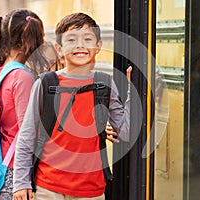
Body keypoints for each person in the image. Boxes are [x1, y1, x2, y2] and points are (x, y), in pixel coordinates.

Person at [13, 12, 131, 200]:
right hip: (48, 187)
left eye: (87, 39)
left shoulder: (106, 84)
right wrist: (21, 183)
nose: (80, 45)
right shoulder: (45, 83)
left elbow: (125, 132)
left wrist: (132, 91)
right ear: (59, 48)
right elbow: (26, 136)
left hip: (91, 190)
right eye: (71, 39)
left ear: (98, 46)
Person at [0, 9, 45, 199]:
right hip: (16, 171)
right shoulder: (22, 76)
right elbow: (27, 132)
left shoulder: (4, 70)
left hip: (4, 162)